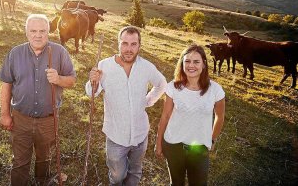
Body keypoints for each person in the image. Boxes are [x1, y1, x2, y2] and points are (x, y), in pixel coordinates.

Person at [0, 13, 76, 185]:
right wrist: (5, 114)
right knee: (19, 161)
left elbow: (72, 80)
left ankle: (42, 182)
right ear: (26, 32)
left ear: (49, 31)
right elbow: (6, 85)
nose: (38, 35)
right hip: (21, 118)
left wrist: (59, 79)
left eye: (42, 31)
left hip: (48, 119)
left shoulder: (59, 52)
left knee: (44, 158)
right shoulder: (15, 53)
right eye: (33, 31)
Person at [86, 25, 167, 185]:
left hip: (140, 134)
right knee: (117, 176)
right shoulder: (104, 66)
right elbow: (92, 93)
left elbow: (162, 83)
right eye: (124, 43)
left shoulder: (146, 67)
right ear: (118, 44)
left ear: (139, 46)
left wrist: (148, 100)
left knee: (135, 172)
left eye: (133, 44)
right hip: (116, 135)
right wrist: (93, 81)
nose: (128, 49)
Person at [155, 44, 226, 186]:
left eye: (196, 61)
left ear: (204, 64)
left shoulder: (215, 90)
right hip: (173, 145)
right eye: (187, 61)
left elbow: (219, 117)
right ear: (182, 63)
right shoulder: (173, 87)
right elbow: (165, 116)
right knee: (176, 183)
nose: (191, 65)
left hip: (199, 148)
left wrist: (211, 139)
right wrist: (158, 143)